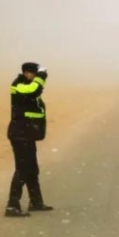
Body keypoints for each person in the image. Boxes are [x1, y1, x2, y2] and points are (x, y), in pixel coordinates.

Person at [5, 62, 53, 217]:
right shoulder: (18, 85)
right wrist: (42, 76)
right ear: (27, 73)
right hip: (20, 134)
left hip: (27, 134)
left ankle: (36, 202)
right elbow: (33, 91)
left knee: (32, 168)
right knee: (23, 168)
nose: (35, 77)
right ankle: (12, 206)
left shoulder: (27, 85)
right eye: (34, 74)